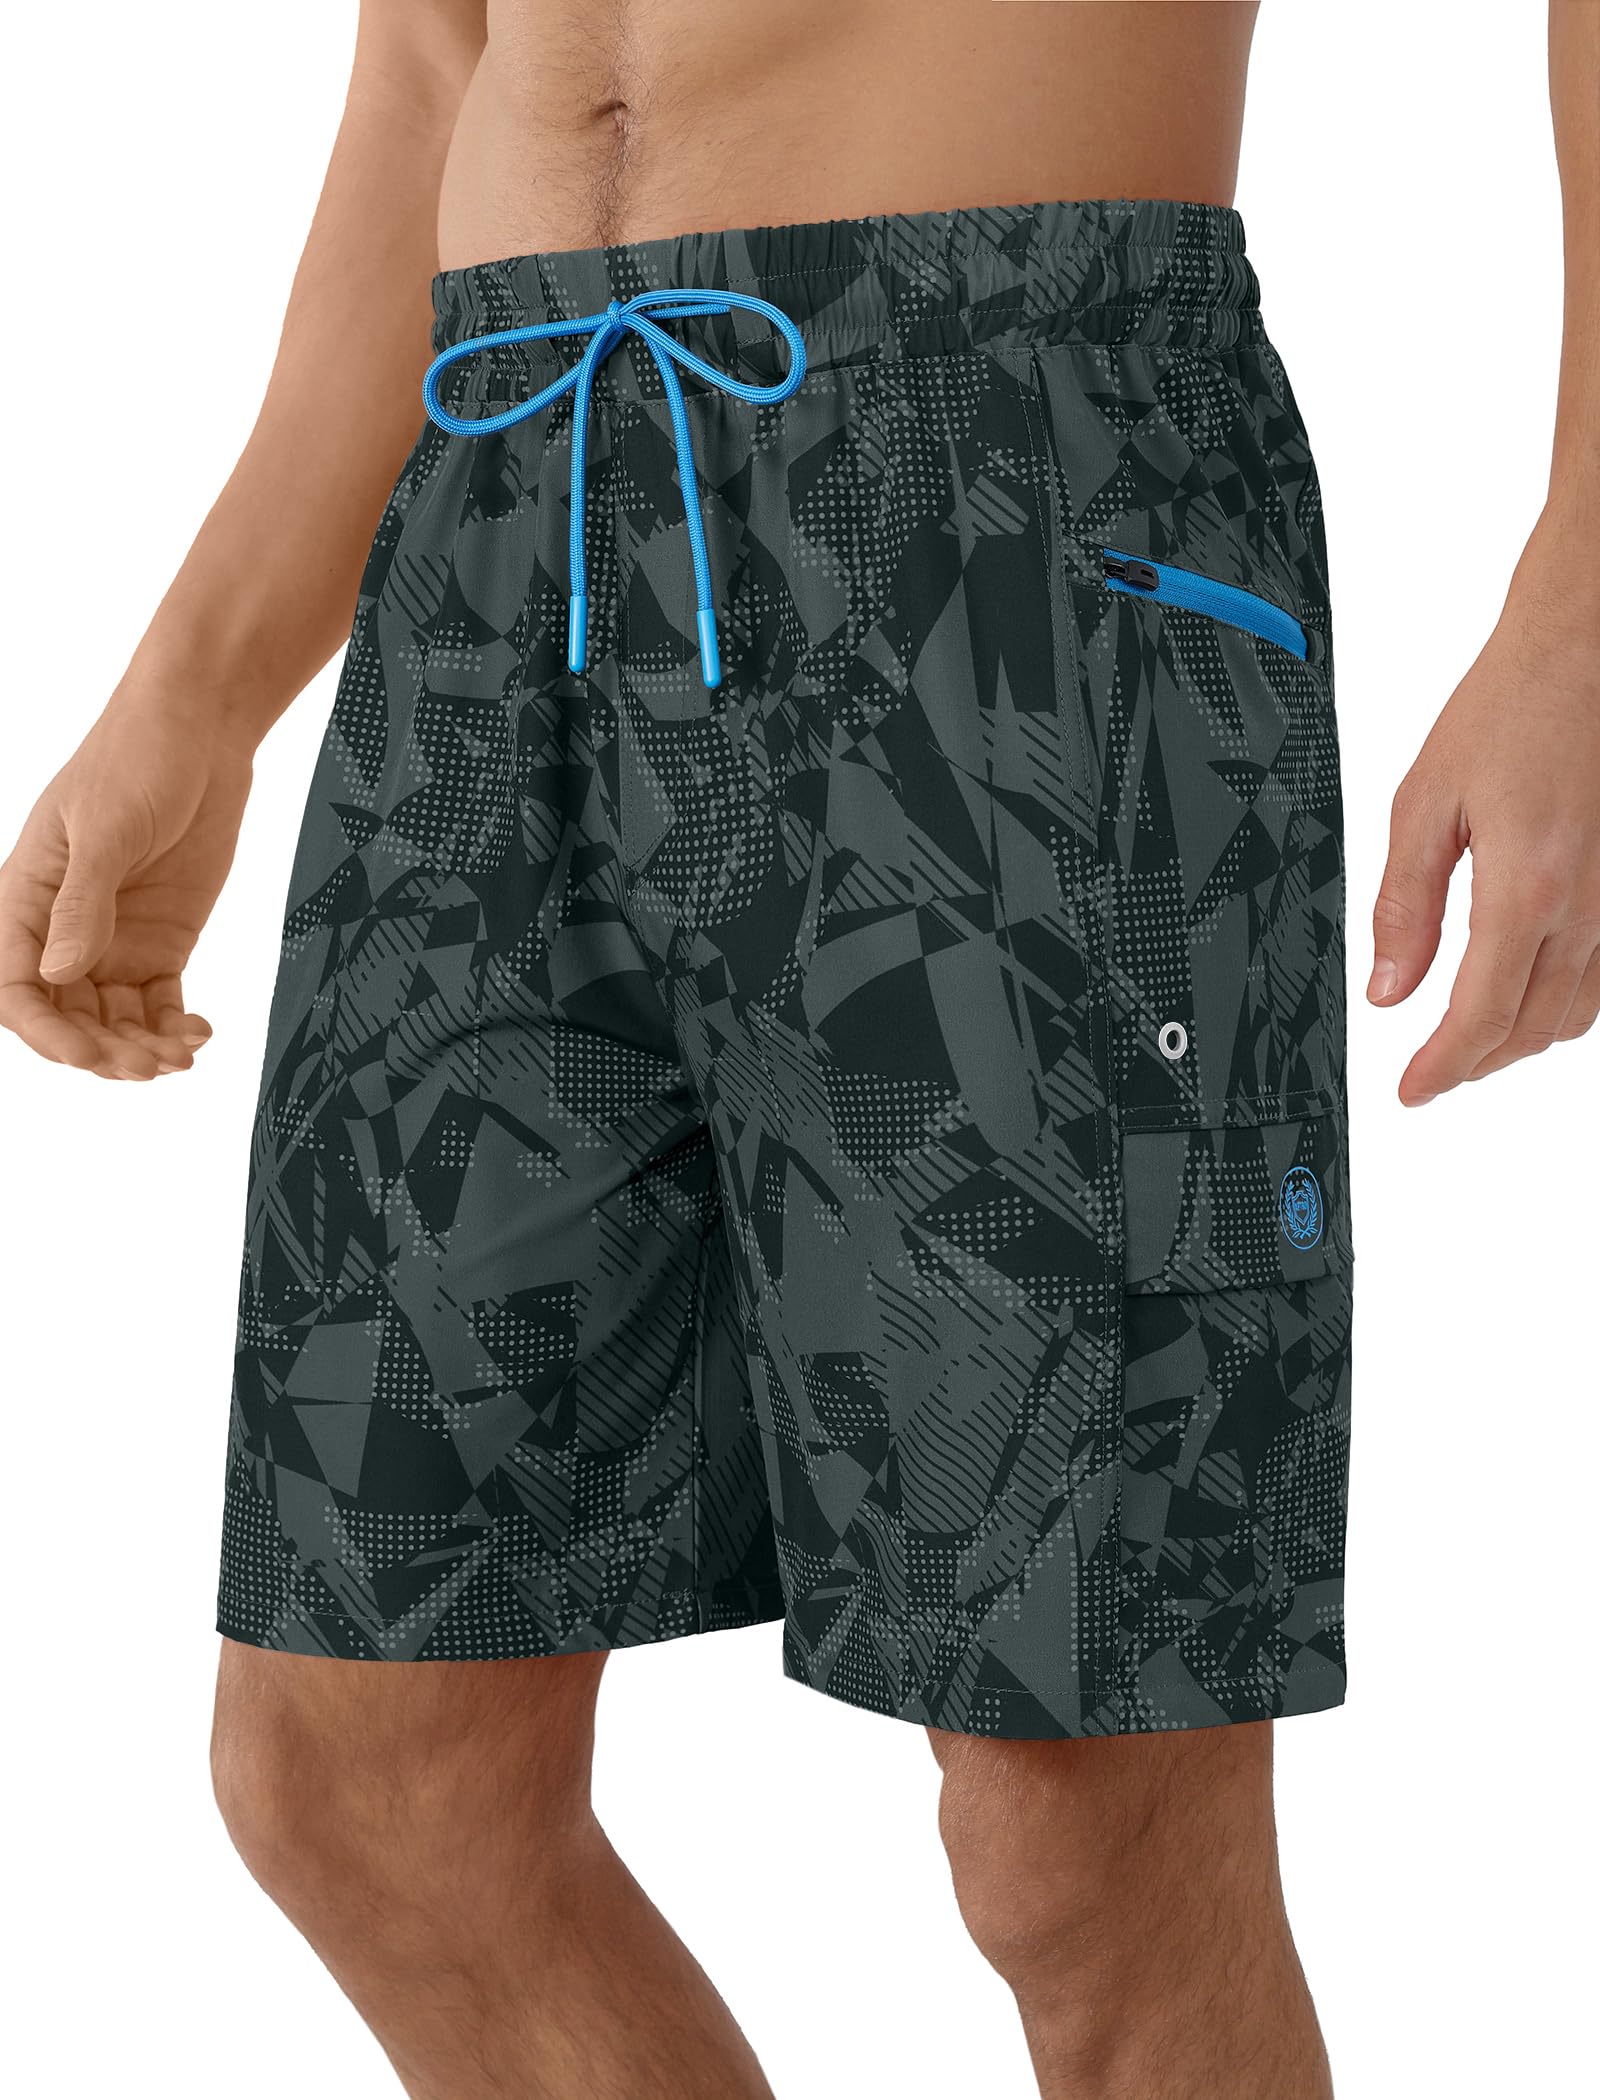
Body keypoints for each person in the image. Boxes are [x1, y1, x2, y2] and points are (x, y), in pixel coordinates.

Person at [2, 2, 1596, 2094]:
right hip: (501, 501)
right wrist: (197, 689)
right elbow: (431, 58)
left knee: (1082, 1813)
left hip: (1004, 476)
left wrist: (1585, 603)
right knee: (363, 1766)